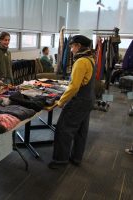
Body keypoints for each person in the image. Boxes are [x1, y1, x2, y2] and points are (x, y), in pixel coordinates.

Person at [48, 35, 95, 169]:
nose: (71, 49)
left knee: (63, 130)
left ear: (78, 46)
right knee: (81, 131)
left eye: (72, 46)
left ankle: (60, 162)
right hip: (88, 99)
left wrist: (61, 102)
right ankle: (76, 158)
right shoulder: (90, 58)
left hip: (79, 101)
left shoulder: (81, 61)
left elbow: (74, 86)